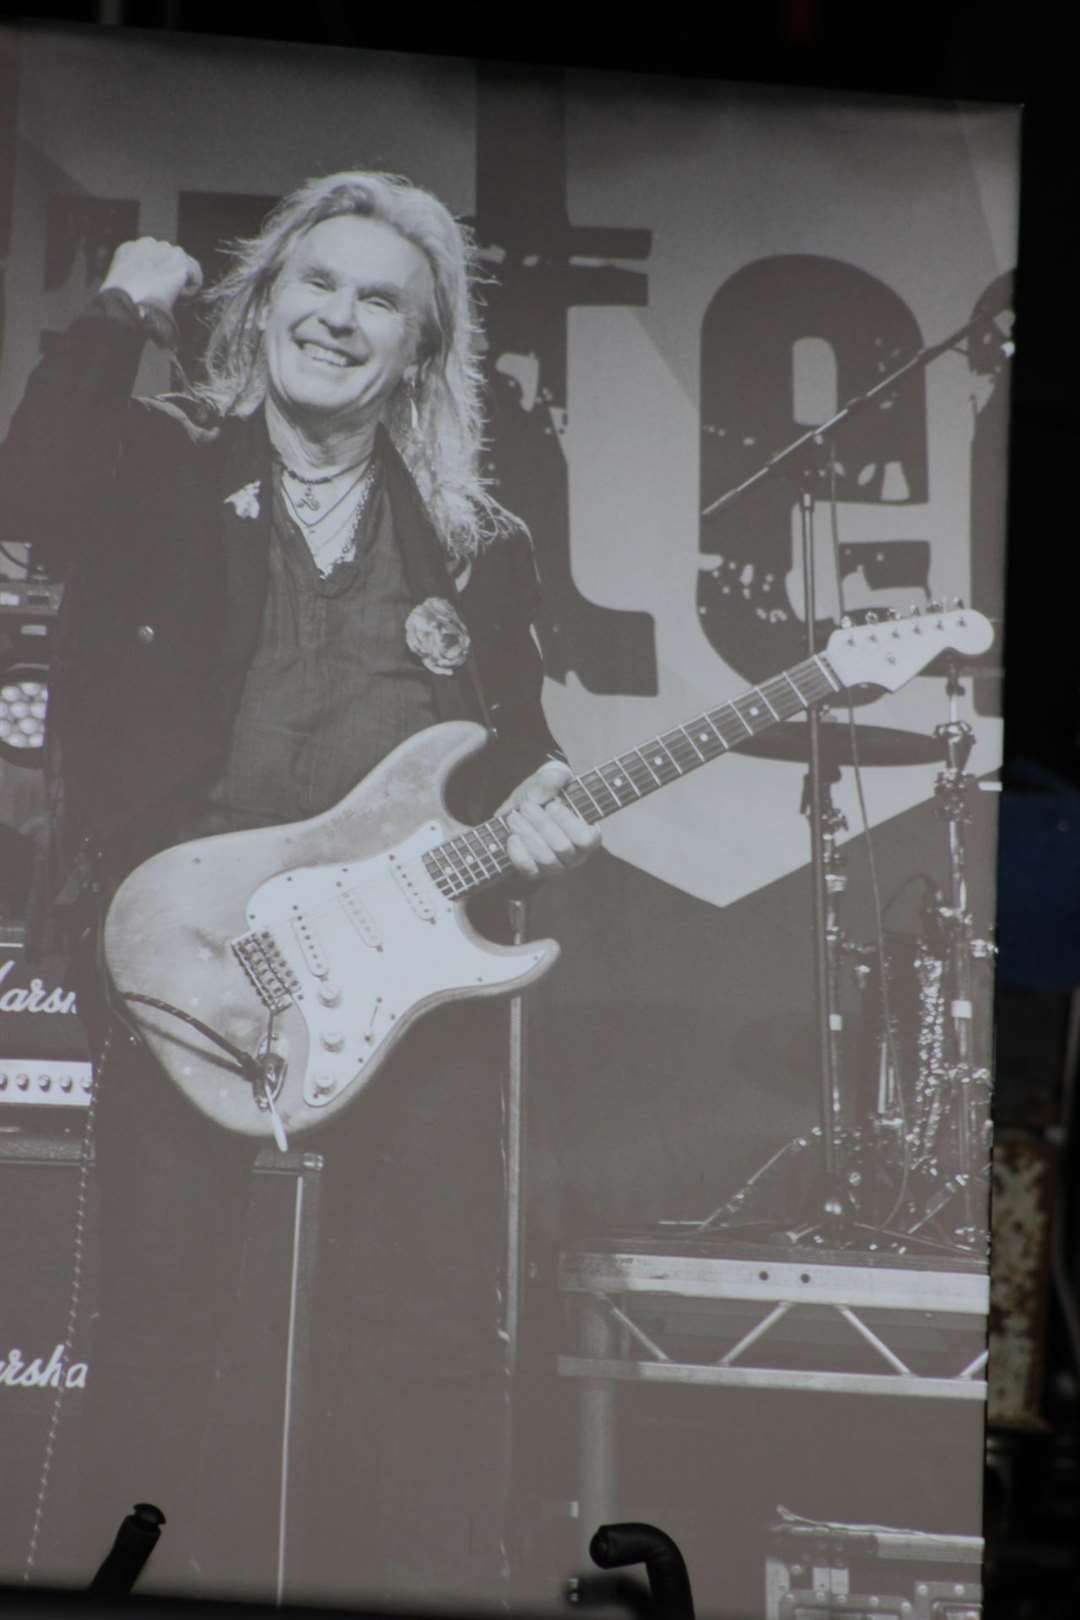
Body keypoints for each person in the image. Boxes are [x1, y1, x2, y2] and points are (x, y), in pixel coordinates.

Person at [0, 170, 599, 1603]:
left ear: (421, 348)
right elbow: (29, 487)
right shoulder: (157, 470)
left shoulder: (477, 544)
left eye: (378, 299)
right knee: (159, 1331)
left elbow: (515, 751)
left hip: (404, 975)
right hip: (189, 954)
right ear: (259, 303)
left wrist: (546, 818)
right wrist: (124, 310)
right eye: (314, 284)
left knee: (428, 1335)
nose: (337, 317)